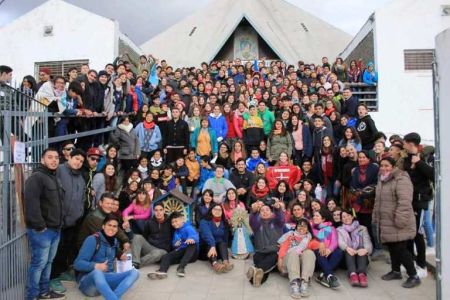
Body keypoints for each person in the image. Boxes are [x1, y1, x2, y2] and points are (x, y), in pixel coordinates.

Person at [24, 148, 65, 300]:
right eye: (50, 157)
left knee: (48, 263)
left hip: (55, 229)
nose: (54, 160)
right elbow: (31, 203)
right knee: (38, 265)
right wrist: (40, 225)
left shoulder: (54, 177)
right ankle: (32, 296)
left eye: (56, 157)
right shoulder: (37, 177)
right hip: (42, 231)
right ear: (42, 160)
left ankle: (44, 291)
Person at [373, 157, 421, 288]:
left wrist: (400, 220)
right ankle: (396, 271)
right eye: (381, 165)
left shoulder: (401, 179)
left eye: (387, 165)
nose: (383, 168)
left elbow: (405, 202)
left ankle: (414, 275)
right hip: (387, 222)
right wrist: (376, 217)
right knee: (392, 248)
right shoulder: (382, 180)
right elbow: (378, 202)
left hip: (399, 221)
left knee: (400, 249)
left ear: (394, 167)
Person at [74, 214, 139, 300]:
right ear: (103, 226)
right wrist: (96, 266)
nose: (112, 228)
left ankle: (114, 296)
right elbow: (77, 264)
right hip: (89, 283)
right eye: (109, 225)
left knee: (135, 272)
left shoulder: (115, 241)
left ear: (117, 229)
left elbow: (114, 251)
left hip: (107, 279)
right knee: (97, 272)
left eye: (115, 226)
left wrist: (121, 255)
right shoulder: (92, 239)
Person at [51, 149, 86, 293]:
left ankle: (61, 272)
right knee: (55, 251)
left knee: (66, 249)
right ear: (69, 157)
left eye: (81, 161)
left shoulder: (80, 177)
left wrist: (80, 212)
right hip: (58, 220)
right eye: (76, 159)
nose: (78, 162)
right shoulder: (59, 170)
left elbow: (82, 197)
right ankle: (52, 278)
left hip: (73, 221)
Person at [401, 132, 434, 279]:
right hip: (409, 201)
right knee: (408, 233)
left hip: (420, 202)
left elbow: (433, 174)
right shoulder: (406, 159)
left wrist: (419, 163)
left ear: (411, 143)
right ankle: (411, 261)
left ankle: (422, 265)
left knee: (417, 234)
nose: (403, 145)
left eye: (405, 142)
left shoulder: (424, 157)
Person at [147, 212, 199, 279]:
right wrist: (175, 244)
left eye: (176, 221)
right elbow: (174, 244)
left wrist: (191, 238)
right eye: (172, 222)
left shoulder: (188, 227)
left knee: (192, 244)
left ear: (182, 219)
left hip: (192, 254)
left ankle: (181, 268)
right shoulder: (176, 232)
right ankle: (162, 271)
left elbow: (194, 235)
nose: (174, 224)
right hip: (181, 252)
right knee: (166, 257)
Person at [247, 200, 285, 287]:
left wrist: (278, 208)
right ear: (259, 214)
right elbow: (252, 221)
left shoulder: (277, 223)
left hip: (274, 252)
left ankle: (255, 271)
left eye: (267, 210)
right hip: (260, 252)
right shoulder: (257, 224)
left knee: (269, 260)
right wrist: (254, 211)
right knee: (261, 266)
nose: (265, 212)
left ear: (272, 212)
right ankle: (256, 280)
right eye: (262, 211)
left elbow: (280, 218)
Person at [277, 218, 317, 298]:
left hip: (301, 267)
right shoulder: (290, 235)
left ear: (308, 229)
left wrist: (322, 245)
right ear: (296, 227)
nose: (301, 228)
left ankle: (304, 282)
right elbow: (283, 248)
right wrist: (280, 260)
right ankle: (294, 283)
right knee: (293, 252)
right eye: (299, 226)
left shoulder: (309, 238)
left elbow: (317, 245)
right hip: (289, 263)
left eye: (304, 226)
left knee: (309, 253)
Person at [337, 209, 373, 287]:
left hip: (361, 258)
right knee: (348, 249)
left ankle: (362, 274)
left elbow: (368, 244)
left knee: (361, 247)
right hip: (348, 259)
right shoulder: (339, 230)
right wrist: (347, 248)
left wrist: (365, 250)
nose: (346, 218)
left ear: (353, 216)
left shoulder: (362, 228)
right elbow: (341, 243)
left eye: (348, 216)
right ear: (341, 219)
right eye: (343, 217)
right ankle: (353, 275)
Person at [131, 203, 172, 269]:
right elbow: (145, 236)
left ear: (164, 211)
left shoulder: (170, 222)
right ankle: (135, 261)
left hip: (162, 250)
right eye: (156, 210)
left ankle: (136, 264)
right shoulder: (149, 222)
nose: (158, 212)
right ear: (153, 211)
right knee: (137, 237)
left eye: (160, 210)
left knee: (157, 254)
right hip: (151, 247)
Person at [311, 208, 343, 289]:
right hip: (318, 257)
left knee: (339, 252)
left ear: (323, 219)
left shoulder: (331, 228)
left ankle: (323, 275)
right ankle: (329, 275)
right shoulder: (312, 228)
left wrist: (329, 249)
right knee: (320, 250)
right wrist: (321, 245)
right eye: (314, 216)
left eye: (317, 216)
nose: (314, 217)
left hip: (328, 255)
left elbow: (335, 242)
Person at [199, 204, 234, 273]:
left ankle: (225, 262)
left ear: (222, 212)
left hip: (217, 250)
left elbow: (225, 238)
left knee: (222, 242)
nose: (217, 211)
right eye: (215, 209)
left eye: (219, 210)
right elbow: (207, 235)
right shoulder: (204, 221)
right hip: (205, 249)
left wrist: (224, 251)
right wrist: (212, 245)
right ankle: (215, 264)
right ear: (211, 210)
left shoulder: (224, 222)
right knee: (209, 243)